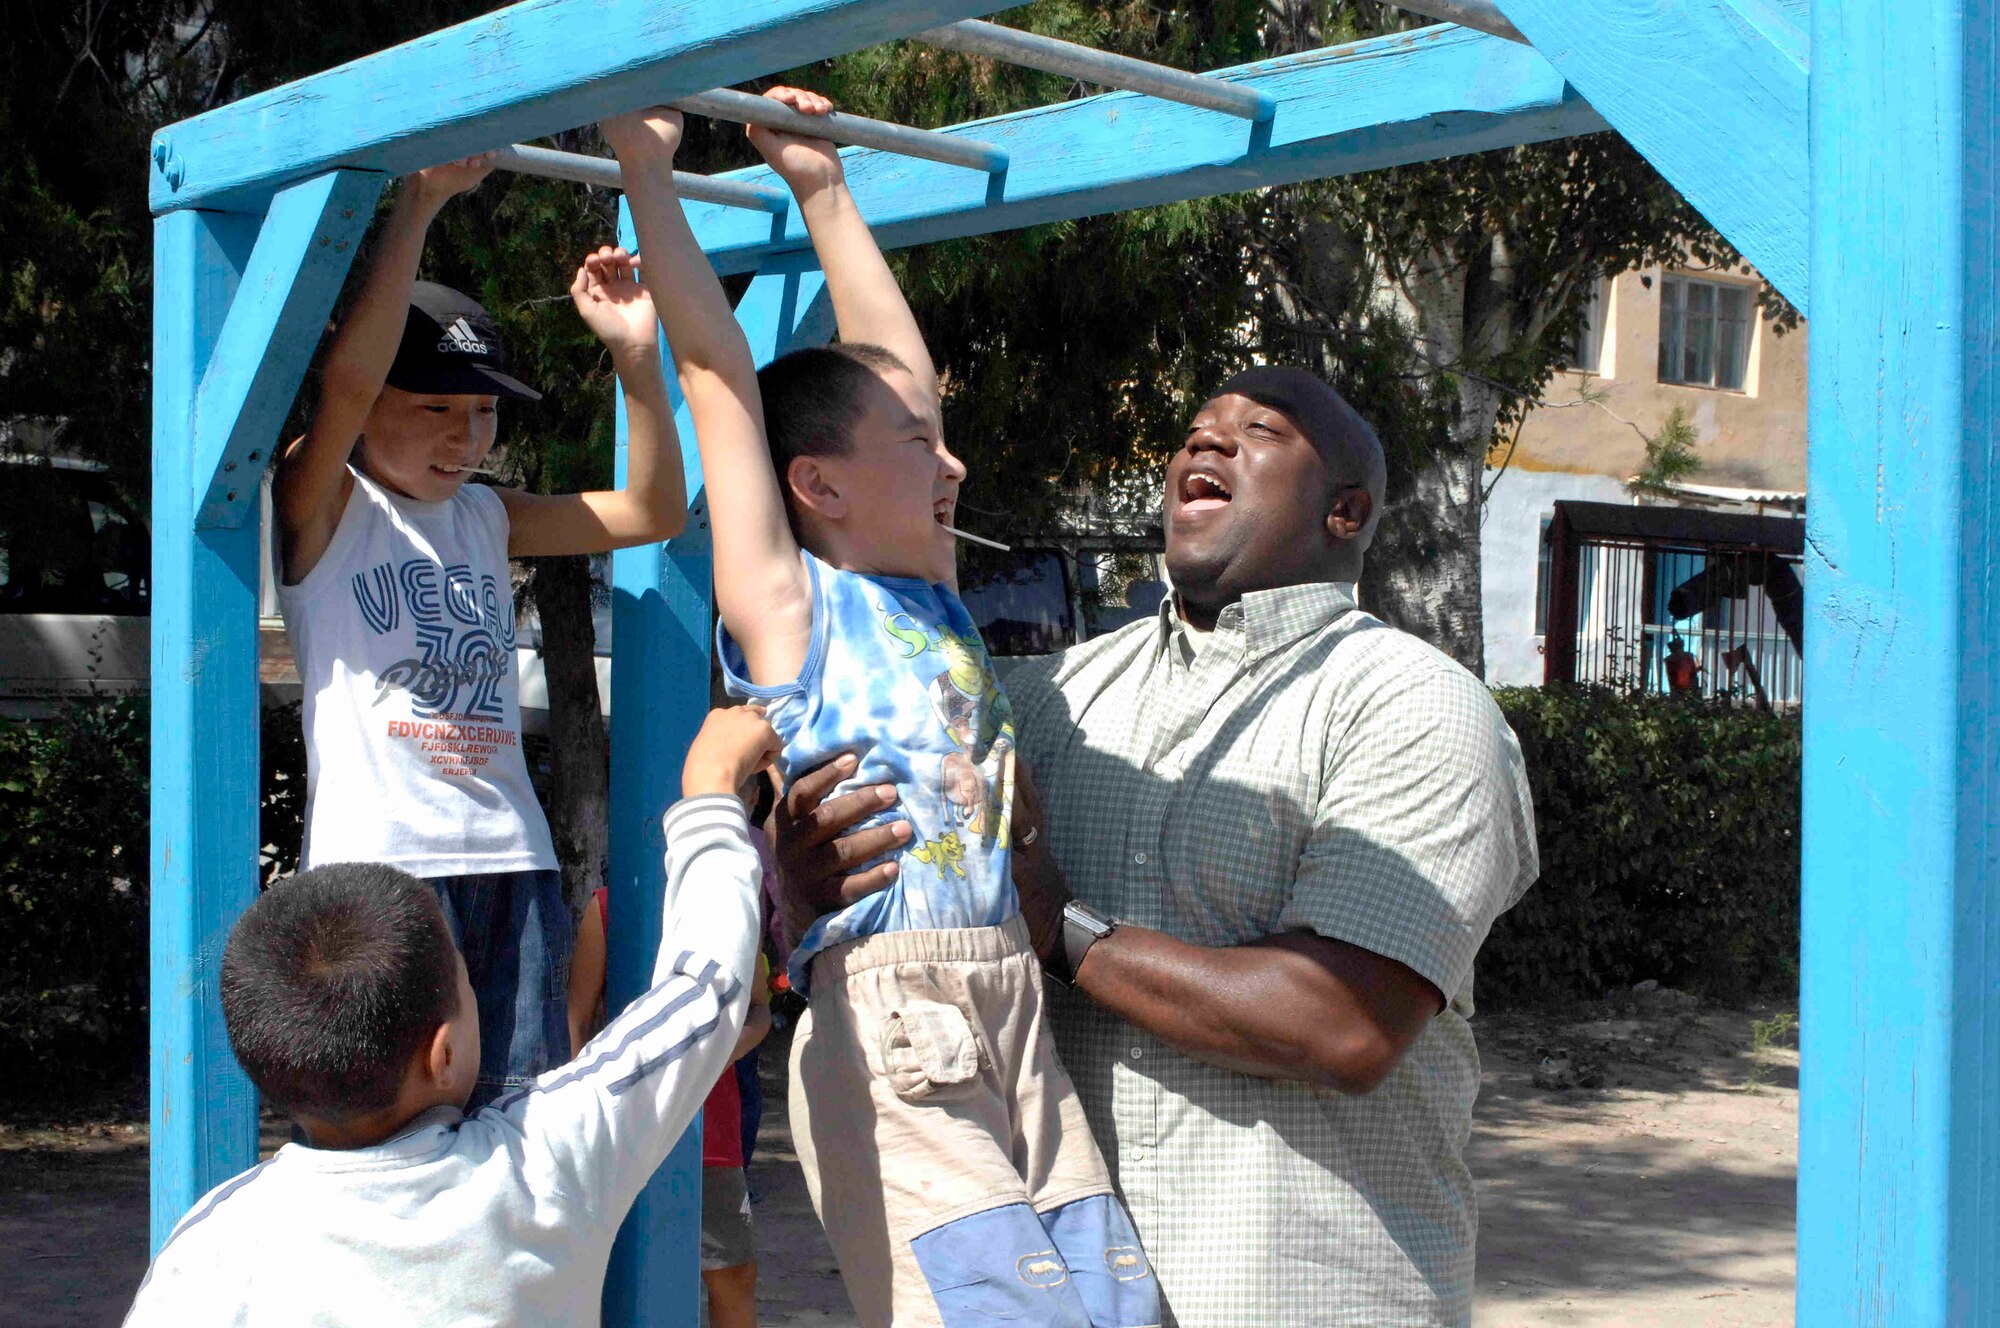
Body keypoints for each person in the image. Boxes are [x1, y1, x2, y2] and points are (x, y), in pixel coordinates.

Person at [778, 367, 1540, 1327]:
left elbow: (1342, 1024)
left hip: (1305, 1297)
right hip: (1056, 1292)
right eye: (1194, 430)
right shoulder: (1045, 698)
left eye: (1259, 430)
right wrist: (806, 880)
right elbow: (888, 891)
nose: (1205, 444)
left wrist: (1065, 930)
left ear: (1345, 513)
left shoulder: (1410, 706)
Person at [612, 92, 1156, 1328]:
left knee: (1108, 1307)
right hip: (890, 1012)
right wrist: (647, 173)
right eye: (914, 444)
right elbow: (714, 375)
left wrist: (822, 185)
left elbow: (903, 372)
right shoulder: (794, 606)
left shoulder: (932, 594)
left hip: (1009, 993)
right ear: (820, 485)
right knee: (990, 1312)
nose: (949, 457)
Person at [123, 703, 783, 1326]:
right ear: (442, 1054)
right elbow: (705, 994)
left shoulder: (209, 1246)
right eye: (467, 985)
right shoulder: (538, 1162)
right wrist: (711, 792)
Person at [272, 152, 685, 1109]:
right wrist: (418, 200)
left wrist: (634, 359)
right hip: (383, 869)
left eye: (485, 411)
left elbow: (654, 512)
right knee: (388, 1112)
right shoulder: (330, 503)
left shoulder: (485, 516)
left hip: (514, 859)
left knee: (516, 1111)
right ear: (374, 403)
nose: (467, 436)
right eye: (434, 408)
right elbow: (343, 386)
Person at [568, 790, 774, 1328]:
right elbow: (575, 1017)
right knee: (611, 1278)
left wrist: (710, 1053)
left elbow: (759, 1013)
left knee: (732, 1274)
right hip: (621, 1129)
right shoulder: (608, 907)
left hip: (712, 1128)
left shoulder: (731, 910)